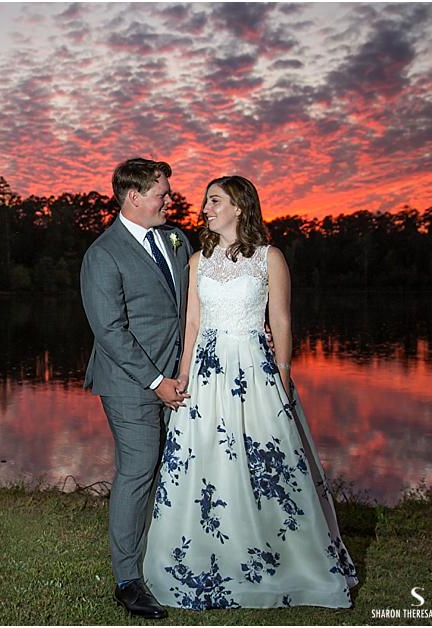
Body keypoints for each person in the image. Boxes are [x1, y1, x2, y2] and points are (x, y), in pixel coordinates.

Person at [142, 175, 359, 609]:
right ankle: (204, 555)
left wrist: (281, 375)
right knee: (204, 461)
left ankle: (285, 559)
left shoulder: (269, 258)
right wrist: (183, 375)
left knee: (269, 462)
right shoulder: (198, 260)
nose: (205, 207)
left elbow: (281, 322)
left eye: (215, 200)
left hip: (254, 373)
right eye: (206, 201)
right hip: (206, 371)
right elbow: (192, 325)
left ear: (240, 207)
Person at [80, 157, 194, 619]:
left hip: (181, 378)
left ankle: (168, 557)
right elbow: (109, 330)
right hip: (130, 383)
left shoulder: (178, 239)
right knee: (138, 470)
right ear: (134, 196)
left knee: (178, 470)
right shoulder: (102, 254)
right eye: (161, 193)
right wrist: (156, 383)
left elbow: (191, 308)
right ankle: (128, 580)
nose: (169, 199)